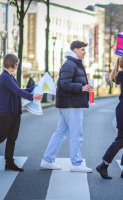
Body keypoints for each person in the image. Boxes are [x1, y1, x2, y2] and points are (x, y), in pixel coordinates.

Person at [0, 54, 43, 172]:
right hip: (6, 113)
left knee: (12, 138)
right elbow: (17, 91)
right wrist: (32, 96)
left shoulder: (11, 77)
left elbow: (18, 91)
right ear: (10, 63)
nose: (17, 67)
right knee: (1, 136)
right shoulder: (4, 76)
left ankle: (9, 163)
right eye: (16, 64)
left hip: (14, 112)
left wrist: (33, 88)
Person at [40, 40, 93, 172]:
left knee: (60, 133)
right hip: (71, 105)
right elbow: (64, 84)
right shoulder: (70, 64)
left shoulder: (73, 63)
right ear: (75, 50)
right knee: (77, 135)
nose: (85, 52)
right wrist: (82, 87)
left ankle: (47, 160)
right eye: (82, 49)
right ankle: (76, 163)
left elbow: (67, 83)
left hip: (69, 104)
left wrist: (84, 88)